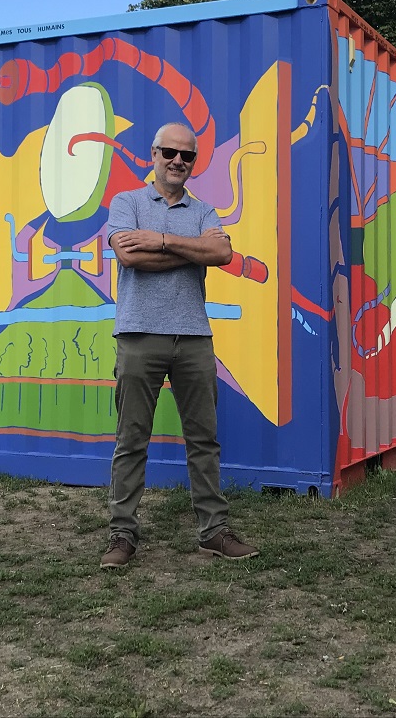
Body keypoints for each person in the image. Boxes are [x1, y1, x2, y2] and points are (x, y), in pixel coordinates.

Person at [100, 122, 260, 569]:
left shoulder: (204, 210)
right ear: (153, 153)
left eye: (186, 155)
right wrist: (192, 250)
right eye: (169, 151)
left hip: (193, 337)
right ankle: (122, 534)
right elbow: (129, 256)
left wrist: (163, 240)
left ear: (194, 162)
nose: (177, 160)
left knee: (203, 439)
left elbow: (223, 255)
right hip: (138, 335)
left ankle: (214, 531)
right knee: (131, 439)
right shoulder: (126, 202)